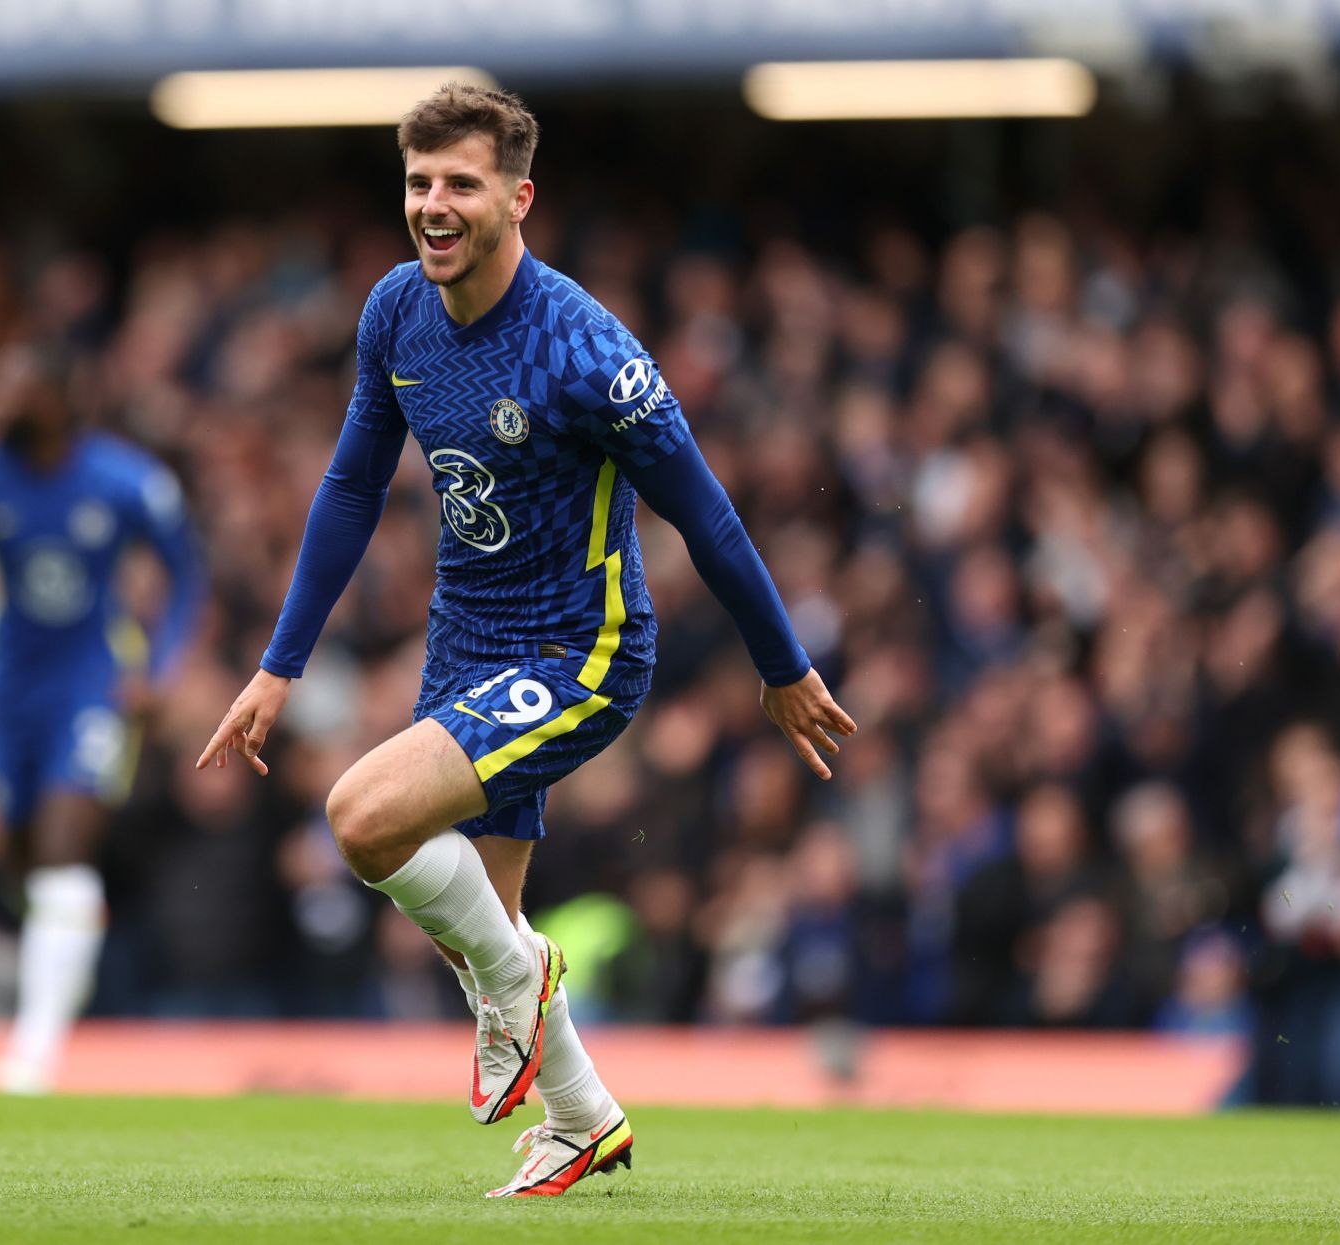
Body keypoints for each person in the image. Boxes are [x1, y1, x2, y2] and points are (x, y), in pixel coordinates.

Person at [198, 82, 855, 1197]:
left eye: (460, 183)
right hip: (465, 640)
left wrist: (783, 667)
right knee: (477, 938)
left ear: (518, 196)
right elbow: (353, 483)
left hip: (578, 653)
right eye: (418, 183)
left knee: (362, 821)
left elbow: (708, 516)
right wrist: (279, 663)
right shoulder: (396, 312)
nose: (434, 205)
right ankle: (582, 1119)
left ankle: (529, 973)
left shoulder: (586, 350)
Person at [0, 342, 207, 1093]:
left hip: (92, 681)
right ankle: (64, 963)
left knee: (62, 850)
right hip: (9, 688)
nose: (0, 406)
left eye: (16, 389)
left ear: (55, 399)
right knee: (23, 861)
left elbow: (187, 571)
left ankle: (35, 1048)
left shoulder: (124, 479)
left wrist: (163, 664)